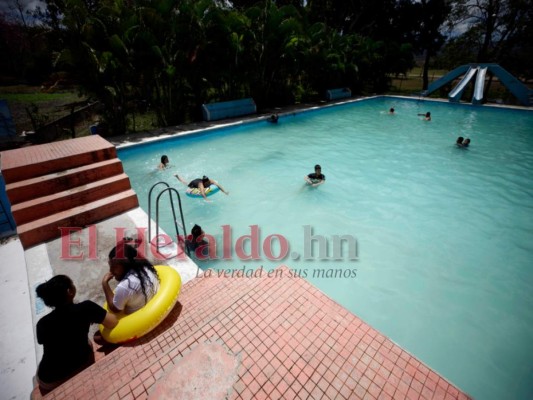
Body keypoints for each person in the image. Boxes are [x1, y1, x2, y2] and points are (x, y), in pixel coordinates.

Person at [35, 275, 118, 394]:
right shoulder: (86, 308)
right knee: (90, 341)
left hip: (49, 379)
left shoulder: (42, 324)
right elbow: (113, 322)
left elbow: (44, 340)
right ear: (69, 291)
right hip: (81, 364)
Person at [102, 242, 160, 314]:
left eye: (115, 266)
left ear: (126, 265)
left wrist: (105, 284)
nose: (111, 270)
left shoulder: (124, 286)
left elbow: (115, 309)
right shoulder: (144, 267)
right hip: (155, 300)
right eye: (110, 265)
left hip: (139, 315)